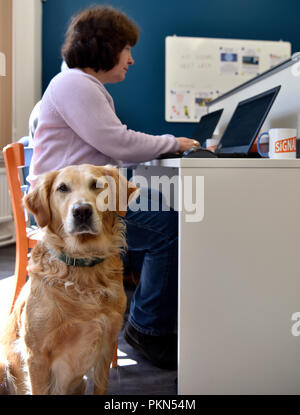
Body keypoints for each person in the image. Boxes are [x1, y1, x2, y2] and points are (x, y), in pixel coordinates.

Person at [28, 5, 198, 370]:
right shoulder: (75, 83)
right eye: (127, 49)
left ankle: (143, 309)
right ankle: (147, 330)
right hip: (69, 202)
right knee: (168, 225)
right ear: (106, 46)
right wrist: (173, 143)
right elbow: (118, 143)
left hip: (84, 193)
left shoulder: (81, 85)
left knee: (162, 204)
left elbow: (111, 148)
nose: (131, 60)